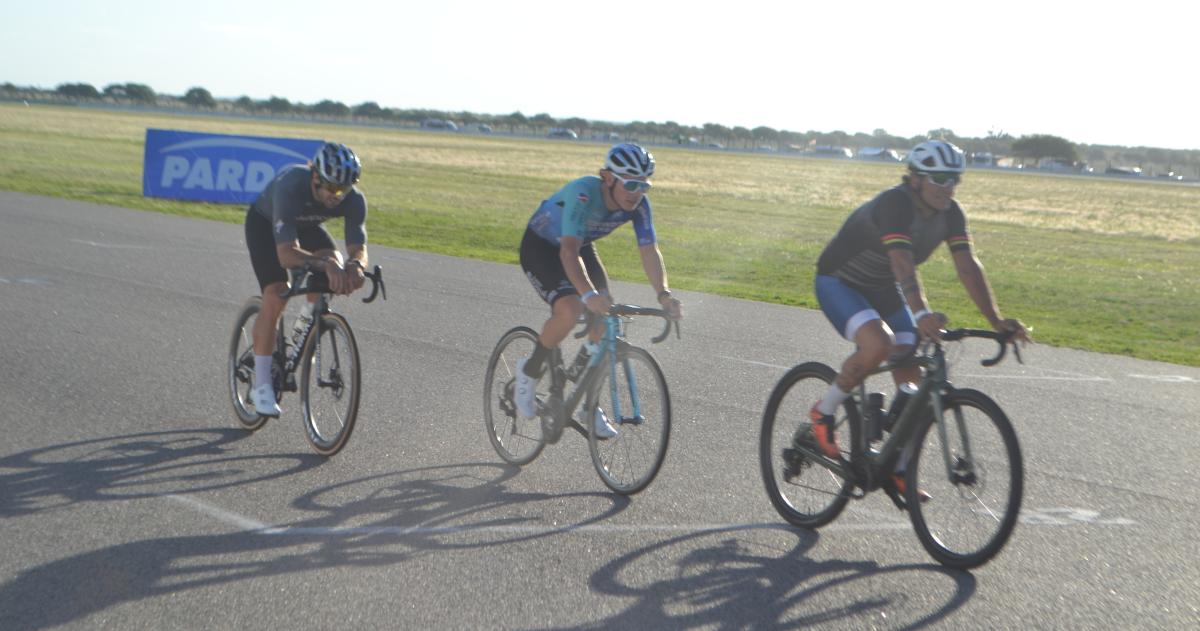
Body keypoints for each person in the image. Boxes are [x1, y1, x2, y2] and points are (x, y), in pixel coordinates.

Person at [804, 139, 1030, 497]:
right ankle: (824, 411)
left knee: (911, 364)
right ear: (916, 178)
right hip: (839, 281)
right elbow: (901, 262)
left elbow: (967, 267)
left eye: (954, 179)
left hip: (882, 286)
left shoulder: (951, 213)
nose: (948, 187)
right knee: (879, 344)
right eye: (939, 178)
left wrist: (997, 321)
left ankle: (899, 469)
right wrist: (922, 313)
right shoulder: (895, 204)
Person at [515, 143, 682, 437]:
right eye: (630, 184)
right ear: (607, 177)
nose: (637, 192)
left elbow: (649, 251)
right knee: (570, 308)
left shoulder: (639, 205)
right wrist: (588, 295)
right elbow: (567, 252)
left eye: (644, 185)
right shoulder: (584, 193)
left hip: (581, 245)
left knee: (606, 317)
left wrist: (664, 295)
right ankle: (528, 374)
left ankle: (588, 404)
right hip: (543, 246)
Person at [243, 141, 368, 417]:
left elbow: (358, 248)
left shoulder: (354, 199)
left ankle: (304, 328)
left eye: (344, 189)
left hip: (306, 227)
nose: (337, 196)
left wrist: (356, 266)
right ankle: (261, 385)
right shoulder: (291, 186)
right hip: (265, 226)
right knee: (276, 293)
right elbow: (286, 255)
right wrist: (324, 264)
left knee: (333, 266)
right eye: (332, 188)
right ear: (315, 177)